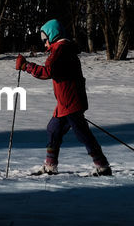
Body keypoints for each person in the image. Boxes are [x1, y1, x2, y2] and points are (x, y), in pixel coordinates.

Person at [15, 19, 112, 176]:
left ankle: (102, 166)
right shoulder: (61, 50)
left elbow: (48, 72)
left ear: (53, 36)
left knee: (82, 134)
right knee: (53, 129)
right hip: (66, 102)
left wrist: (27, 66)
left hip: (70, 102)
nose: (44, 44)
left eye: (45, 40)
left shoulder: (61, 50)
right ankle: (50, 166)